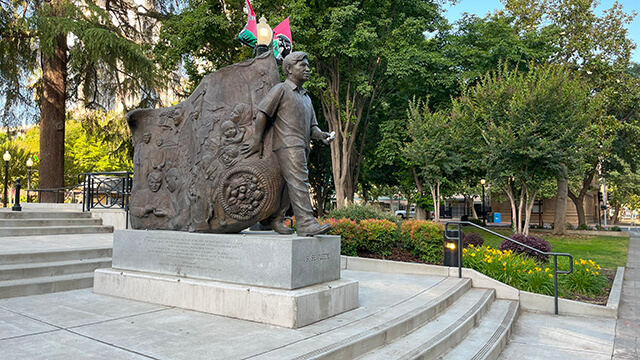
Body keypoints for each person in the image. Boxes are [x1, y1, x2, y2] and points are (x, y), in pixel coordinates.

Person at [242, 51, 333, 236]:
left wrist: (322, 135)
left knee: (285, 186)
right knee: (299, 181)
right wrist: (256, 140)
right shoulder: (281, 90)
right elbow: (262, 113)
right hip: (287, 145)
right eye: (303, 65)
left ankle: (276, 218)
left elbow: (312, 128)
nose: (307, 69)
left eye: (308, 66)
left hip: (302, 146)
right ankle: (306, 223)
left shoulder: (306, 98)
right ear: (289, 69)